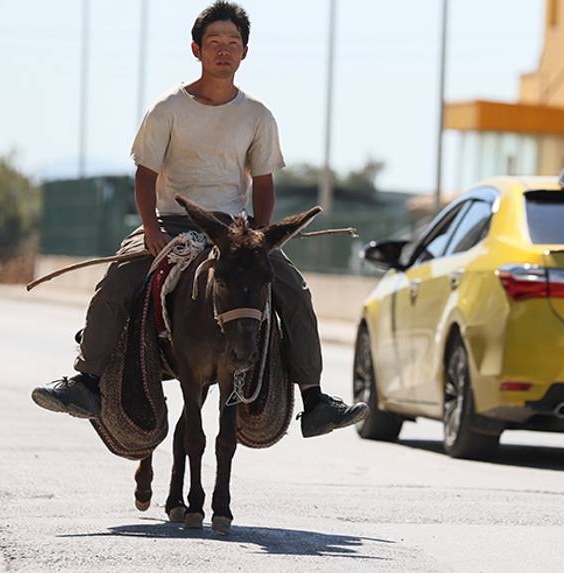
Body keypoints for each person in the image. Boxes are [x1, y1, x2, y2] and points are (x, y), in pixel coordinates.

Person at [31, 1, 367, 437]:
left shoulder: (258, 116)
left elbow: (263, 184)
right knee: (118, 279)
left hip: (234, 231)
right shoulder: (167, 109)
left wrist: (261, 240)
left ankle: (314, 399)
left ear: (245, 52)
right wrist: (150, 230)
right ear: (196, 49)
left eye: (233, 43)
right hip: (172, 224)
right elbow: (145, 176)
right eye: (214, 42)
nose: (224, 50)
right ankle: (86, 381)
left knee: (295, 292)